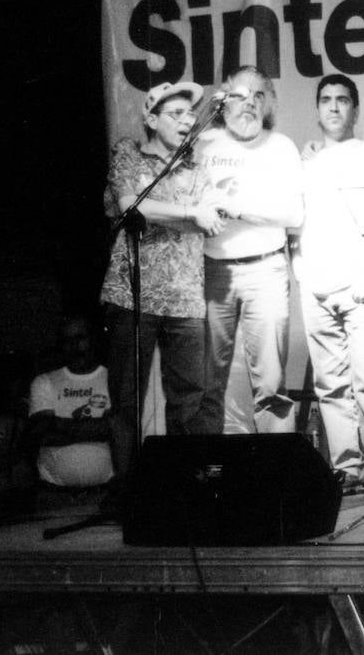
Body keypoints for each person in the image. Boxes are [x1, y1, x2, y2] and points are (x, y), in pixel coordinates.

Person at [101, 81, 225, 483]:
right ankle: (129, 489)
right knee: (126, 400)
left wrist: (183, 214)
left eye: (190, 115)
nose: (187, 121)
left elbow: (208, 217)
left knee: (189, 398)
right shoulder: (129, 153)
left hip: (185, 299)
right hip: (131, 295)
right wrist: (189, 213)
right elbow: (131, 206)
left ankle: (182, 487)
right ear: (151, 120)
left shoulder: (197, 166)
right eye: (176, 114)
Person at [294, 74, 364, 502]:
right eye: (326, 100)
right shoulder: (306, 162)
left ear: (356, 109)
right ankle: (346, 467)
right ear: (317, 109)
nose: (334, 107)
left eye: (343, 100)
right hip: (318, 286)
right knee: (330, 384)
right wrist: (302, 270)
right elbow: (294, 219)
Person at [197, 66, 305, 435]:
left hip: (267, 271)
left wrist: (240, 209)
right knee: (207, 383)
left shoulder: (281, 146)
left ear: (269, 104)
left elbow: (292, 213)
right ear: (224, 101)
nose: (250, 103)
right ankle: (210, 474)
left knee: (272, 386)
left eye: (259, 96)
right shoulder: (203, 144)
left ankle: (276, 476)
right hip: (213, 272)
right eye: (241, 95)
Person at [27, 315, 113, 509]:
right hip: (55, 497)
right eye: (68, 340)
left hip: (102, 496)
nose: (75, 346)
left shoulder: (112, 380)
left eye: (80, 338)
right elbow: (43, 434)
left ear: (93, 339)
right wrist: (97, 428)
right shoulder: (44, 382)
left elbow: (115, 430)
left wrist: (58, 424)